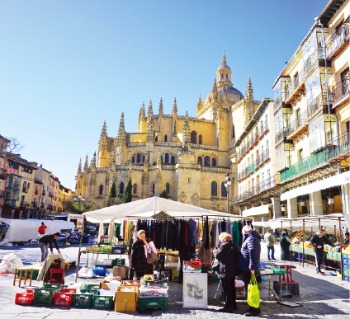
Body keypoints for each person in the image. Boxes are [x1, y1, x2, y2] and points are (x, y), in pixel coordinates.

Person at [239, 225, 261, 317]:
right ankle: (253, 307)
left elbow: (253, 253)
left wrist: (252, 268)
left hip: (249, 269)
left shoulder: (251, 239)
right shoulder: (251, 238)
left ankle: (253, 309)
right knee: (250, 288)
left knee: (251, 289)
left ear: (245, 231)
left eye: (242, 232)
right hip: (247, 268)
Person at [215, 232, 239, 313]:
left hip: (225, 270)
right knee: (232, 288)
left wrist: (215, 252)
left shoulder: (224, 246)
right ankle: (233, 305)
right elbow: (238, 255)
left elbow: (218, 256)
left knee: (226, 289)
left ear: (223, 238)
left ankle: (228, 306)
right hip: (232, 270)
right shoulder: (234, 245)